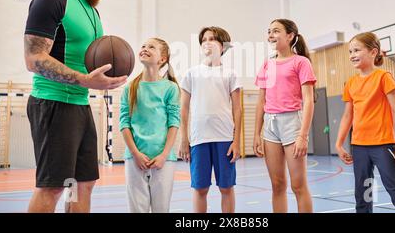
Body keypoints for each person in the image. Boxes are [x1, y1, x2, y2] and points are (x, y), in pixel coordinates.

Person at [23, 0, 127, 213]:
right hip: (53, 103)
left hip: (80, 105)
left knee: (84, 183)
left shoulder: (91, 10)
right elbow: (34, 59)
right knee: (53, 186)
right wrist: (85, 80)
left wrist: (107, 76)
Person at [335, 32, 395, 213]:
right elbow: (347, 116)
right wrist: (339, 143)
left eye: (357, 50)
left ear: (373, 52)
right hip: (359, 147)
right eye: (350, 51)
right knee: (364, 194)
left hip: (383, 146)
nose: (352, 55)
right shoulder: (350, 83)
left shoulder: (383, 77)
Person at [253, 19, 316, 213]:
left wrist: (302, 135)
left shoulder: (301, 62)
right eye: (269, 31)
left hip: (292, 123)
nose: (271, 34)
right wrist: (256, 133)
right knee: (277, 185)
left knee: (298, 185)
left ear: (290, 36)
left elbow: (308, 101)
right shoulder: (267, 65)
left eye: (276, 31)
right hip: (271, 126)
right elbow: (261, 101)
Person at [179, 26, 242, 213]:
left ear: (223, 47)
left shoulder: (230, 74)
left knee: (226, 188)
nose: (207, 42)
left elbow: (237, 109)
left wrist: (236, 140)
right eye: (204, 39)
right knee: (200, 188)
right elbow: (184, 108)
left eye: (213, 39)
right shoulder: (191, 73)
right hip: (199, 139)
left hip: (224, 139)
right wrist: (184, 139)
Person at [119, 38, 180, 213]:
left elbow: (174, 123)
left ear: (162, 59)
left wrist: (164, 155)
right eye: (143, 46)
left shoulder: (170, 88)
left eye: (151, 47)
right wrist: (135, 154)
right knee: (137, 210)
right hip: (135, 159)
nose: (145, 48)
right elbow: (124, 123)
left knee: (162, 209)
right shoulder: (129, 88)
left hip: (163, 159)